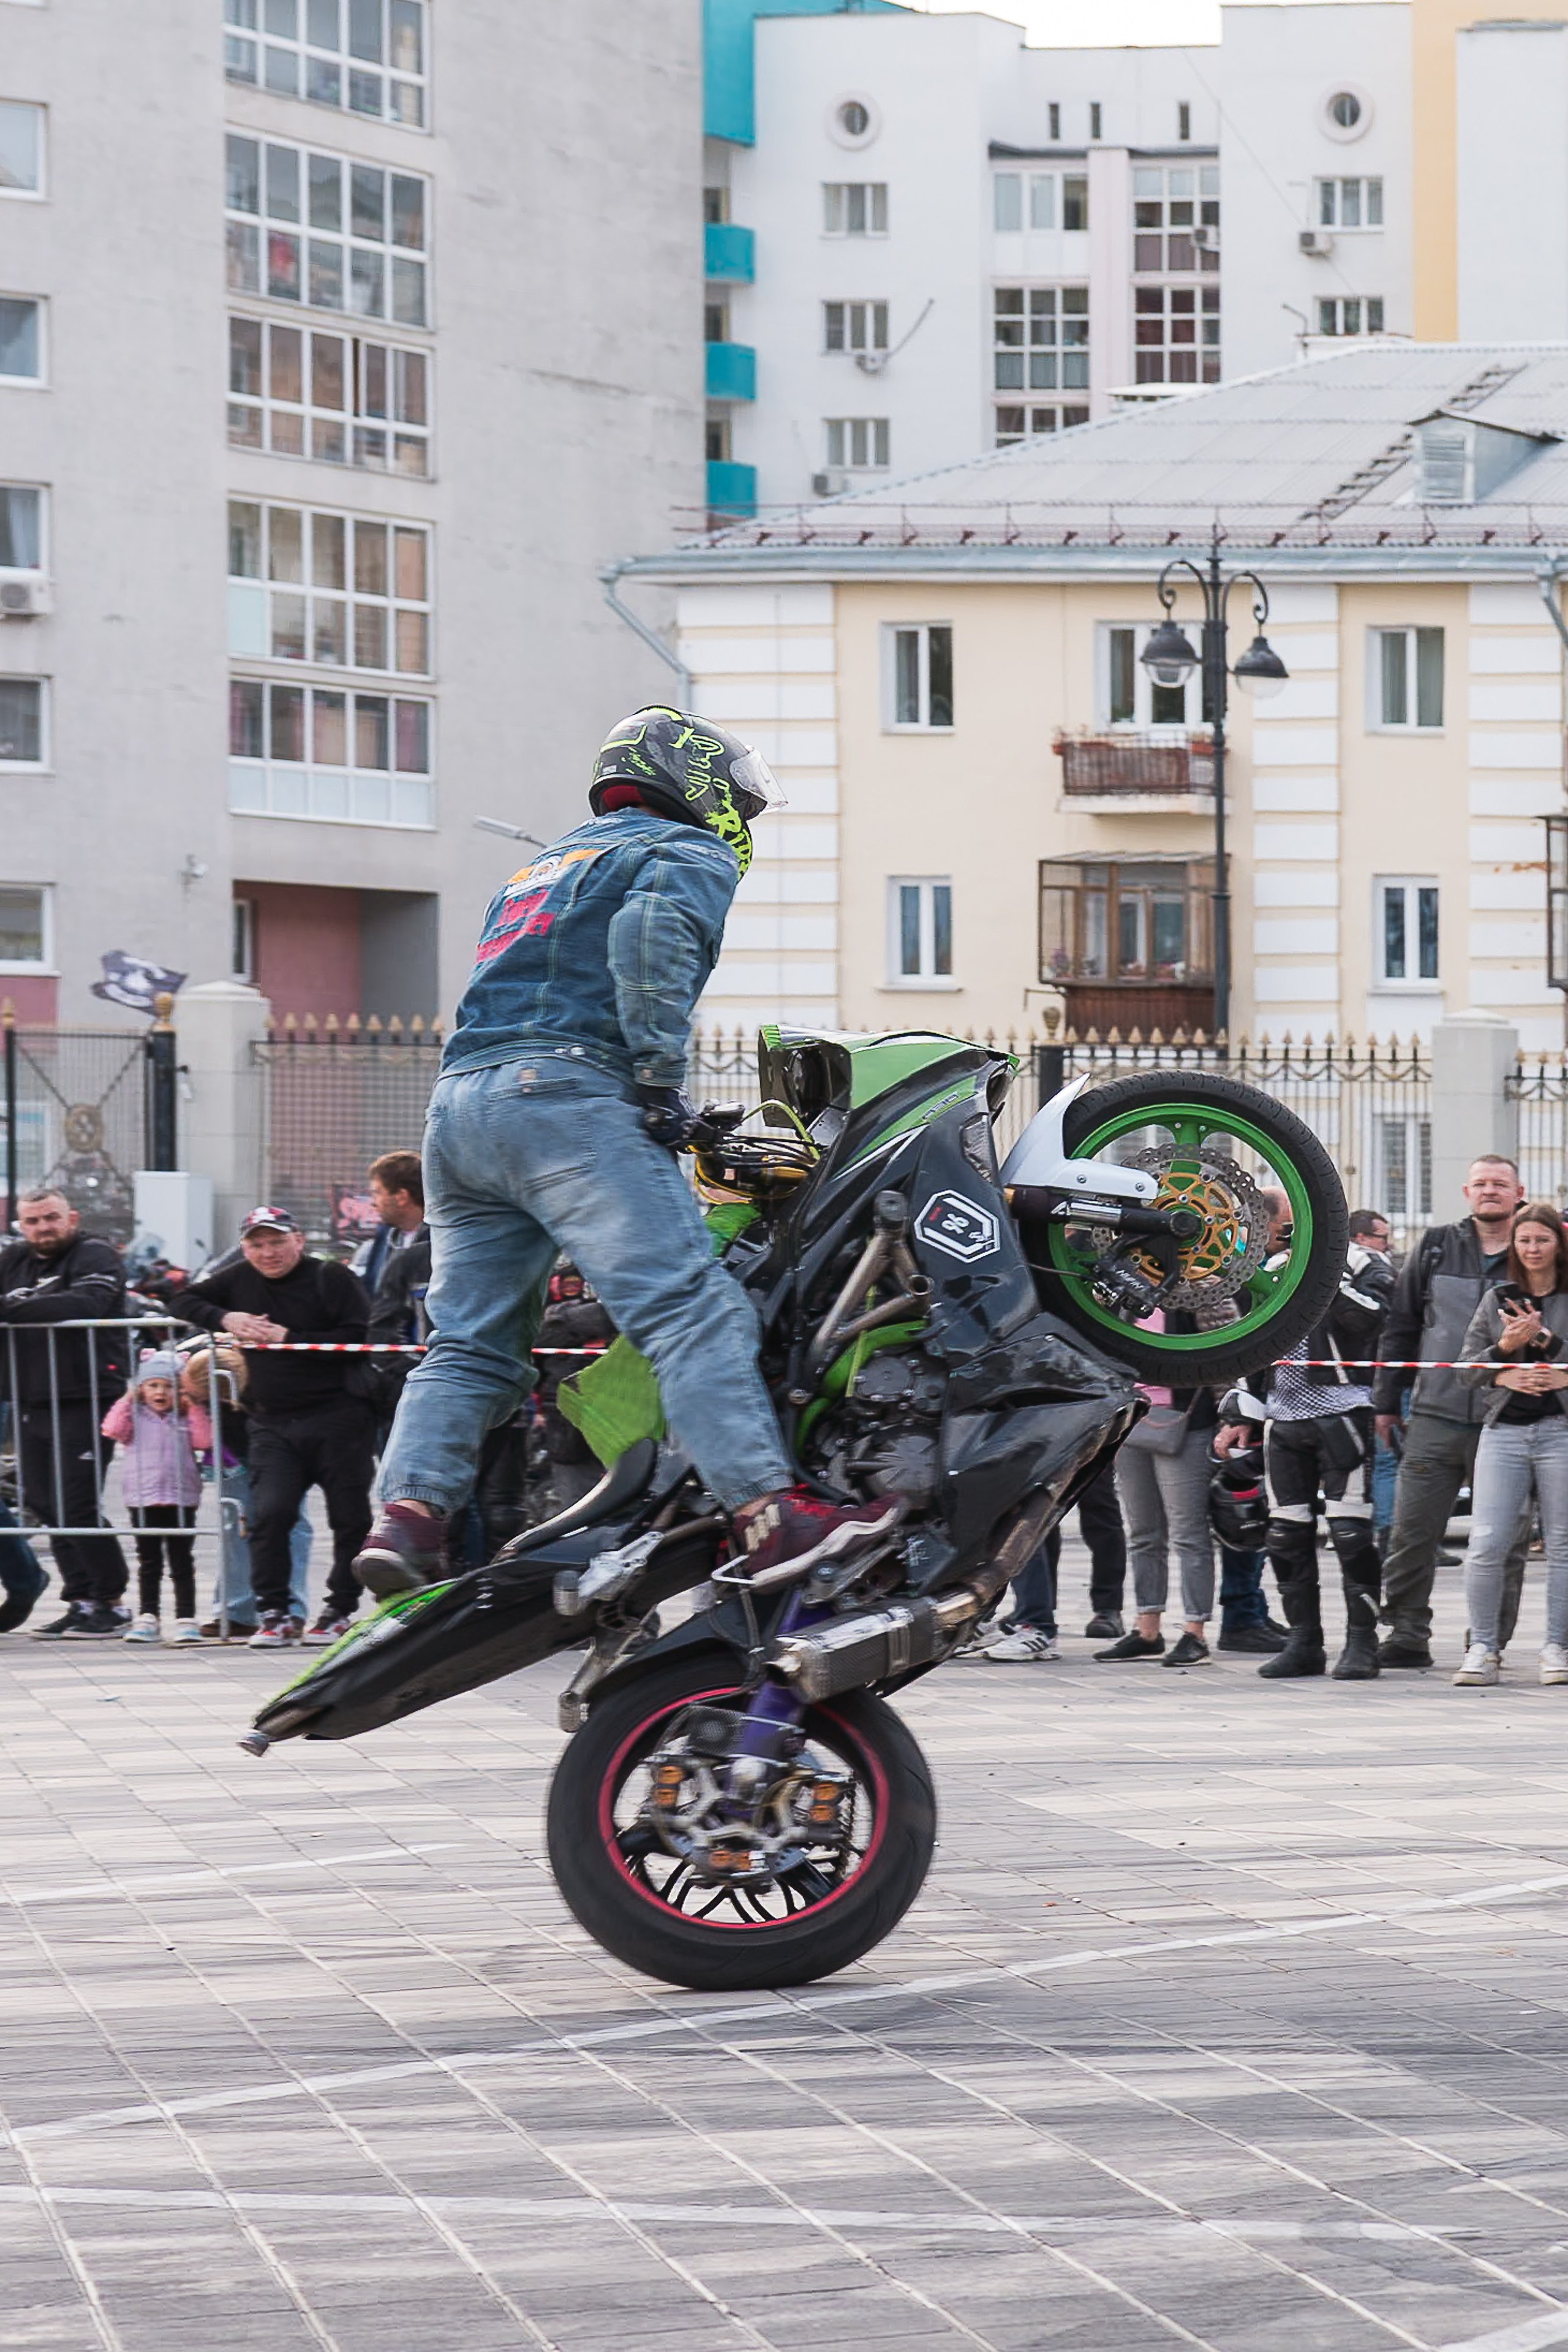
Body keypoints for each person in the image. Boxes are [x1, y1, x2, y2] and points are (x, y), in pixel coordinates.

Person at [353, 708, 902, 1598]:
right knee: (690, 1308)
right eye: (738, 796)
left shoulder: (540, 863)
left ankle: (408, 1518)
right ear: (694, 779)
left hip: (460, 1109)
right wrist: (656, 1078)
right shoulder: (686, 851)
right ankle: (771, 1516)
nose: (741, 816)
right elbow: (650, 939)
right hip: (568, 1095)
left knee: (471, 1344)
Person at [173, 1207, 375, 1647]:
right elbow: (182, 1299)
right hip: (271, 1421)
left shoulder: (332, 1278)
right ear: (245, 1247)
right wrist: (227, 1319)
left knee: (350, 1519)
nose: (268, 1252)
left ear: (298, 1240)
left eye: (277, 1241)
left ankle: (339, 1609)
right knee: (269, 1514)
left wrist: (288, 1335)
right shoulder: (238, 1278)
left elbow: (359, 1339)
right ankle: (274, 1611)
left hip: (338, 1418)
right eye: (257, 1244)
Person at [1218, 1209, 1395, 1680]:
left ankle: (1362, 1643)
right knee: (1285, 1533)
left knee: (1350, 1531)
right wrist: (1243, 1412)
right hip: (1283, 1415)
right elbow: (1251, 1340)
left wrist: (1324, 1275)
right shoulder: (1275, 1267)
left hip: (1345, 1409)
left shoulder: (1363, 1261)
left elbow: (1373, 1319)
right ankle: (1304, 1642)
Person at [1376, 1155, 1530, 1668]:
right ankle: (1406, 1632)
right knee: (1412, 1531)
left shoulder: (1536, 1248)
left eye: (1500, 1184)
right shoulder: (1437, 1244)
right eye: (1482, 1183)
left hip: (1510, 1417)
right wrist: (1385, 1401)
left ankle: (1487, 1640)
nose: (1490, 1191)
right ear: (1467, 1191)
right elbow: (1400, 1324)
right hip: (1436, 1413)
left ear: (1518, 1191)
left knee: (1504, 1542)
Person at [0, 1188, 130, 1638]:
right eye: (32, 1221)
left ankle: (111, 1601)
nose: (43, 1228)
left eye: (51, 1218)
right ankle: (81, 1599)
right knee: (42, 1501)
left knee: (77, 1502)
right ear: (21, 1225)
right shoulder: (14, 1259)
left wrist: (10, 1308)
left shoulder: (95, 1252)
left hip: (87, 1394)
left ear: (70, 1217)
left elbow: (84, 1304)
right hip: (31, 1395)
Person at [1452, 1203, 1568, 1687]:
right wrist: (1505, 1360)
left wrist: (1548, 1350)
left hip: (1560, 1432)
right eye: (1525, 1241)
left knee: (1563, 1545)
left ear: (1558, 1245)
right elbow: (1464, 1372)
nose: (1533, 1248)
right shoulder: (1497, 1297)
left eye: (1542, 1240)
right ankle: (1483, 1646)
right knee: (1487, 1543)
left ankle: (1557, 1645)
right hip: (1503, 1432)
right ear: (1514, 1246)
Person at [1097, 1317, 1219, 1669]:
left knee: (1188, 1533)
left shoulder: (1198, 1293)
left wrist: (1229, 1419)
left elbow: (1230, 1358)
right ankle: (1147, 1629)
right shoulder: (1119, 1298)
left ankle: (1194, 1632)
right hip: (1131, 1420)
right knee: (1142, 1533)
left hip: (1186, 1420)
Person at [102, 1350, 211, 1646]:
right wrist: (127, 1399)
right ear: (141, 1389)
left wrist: (195, 1406)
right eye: (153, 1385)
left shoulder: (187, 1416)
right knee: (149, 1561)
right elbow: (111, 1429)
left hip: (181, 1497)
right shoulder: (135, 1416)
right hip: (143, 1498)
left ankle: (186, 1618)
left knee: (182, 1561)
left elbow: (204, 1441)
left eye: (169, 1386)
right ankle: (148, 1615)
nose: (161, 1392)